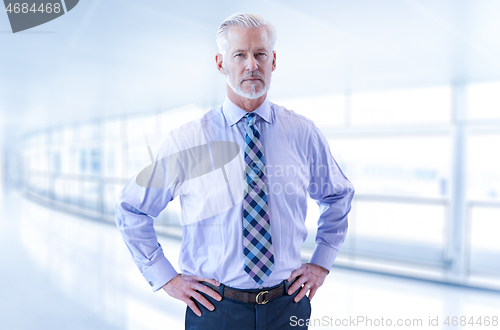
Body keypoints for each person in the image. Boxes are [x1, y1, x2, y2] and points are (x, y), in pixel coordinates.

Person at [115, 12, 354, 330]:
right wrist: (166, 278)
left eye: (260, 54)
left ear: (273, 61)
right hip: (215, 310)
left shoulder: (303, 133)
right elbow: (132, 210)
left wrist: (321, 264)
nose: (251, 65)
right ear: (220, 63)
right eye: (239, 55)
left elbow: (338, 195)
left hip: (288, 307)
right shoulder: (188, 140)